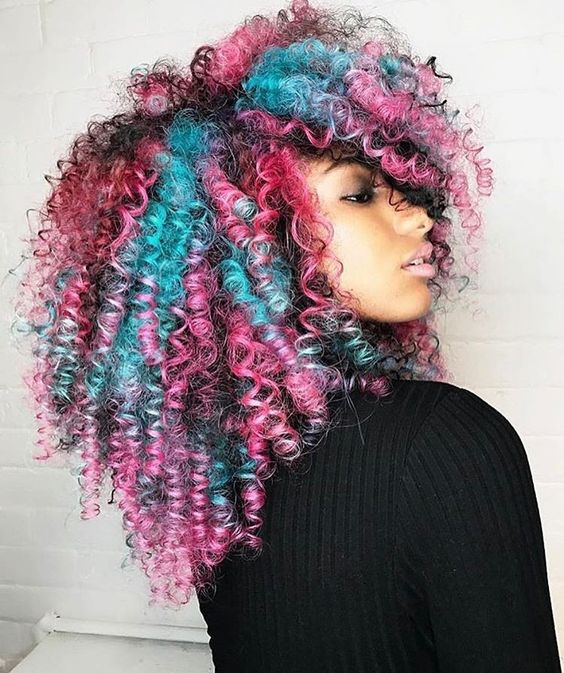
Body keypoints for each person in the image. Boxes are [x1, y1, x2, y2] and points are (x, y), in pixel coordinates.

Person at [11, 0, 561, 671]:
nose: (419, 219)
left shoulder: (212, 469)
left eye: (408, 190)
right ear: (260, 232)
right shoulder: (447, 442)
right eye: (359, 194)